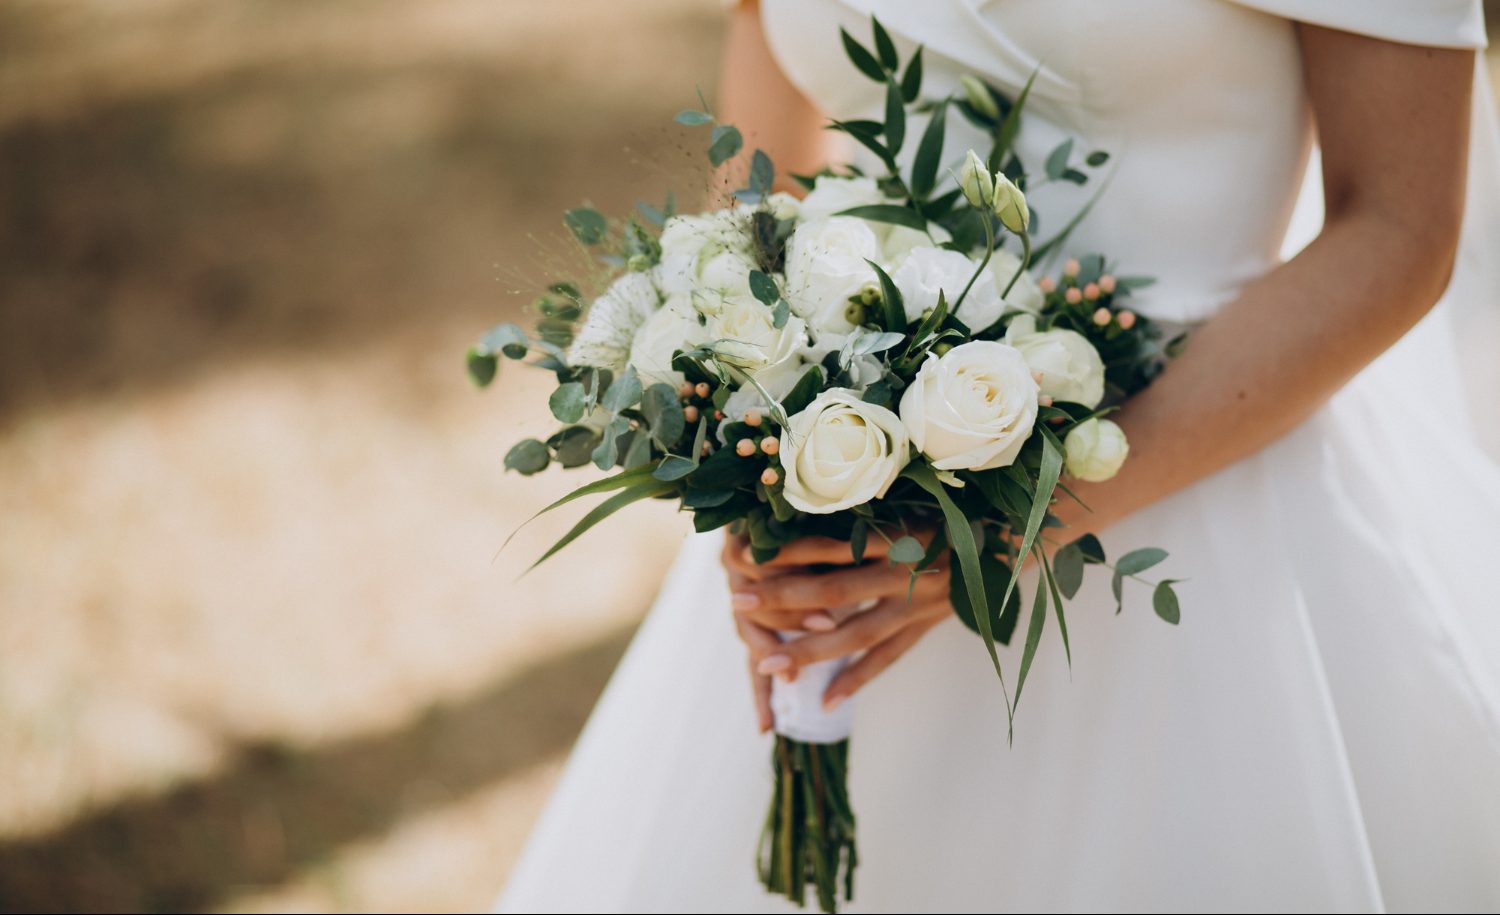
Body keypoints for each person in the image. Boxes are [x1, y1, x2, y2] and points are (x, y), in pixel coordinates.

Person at [498, 1, 1500, 910]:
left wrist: (1010, 524)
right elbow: (765, 198)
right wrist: (761, 461)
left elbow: (1400, 226)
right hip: (858, 522)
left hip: (1213, 526)